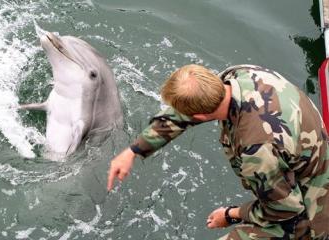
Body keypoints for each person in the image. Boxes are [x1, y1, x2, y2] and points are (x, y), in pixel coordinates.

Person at [106, 64, 329, 239]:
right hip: (305, 163)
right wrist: (133, 151)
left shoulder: (257, 150)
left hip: (311, 215)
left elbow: (284, 210)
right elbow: (183, 113)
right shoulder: (238, 75)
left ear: (201, 117)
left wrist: (231, 215)